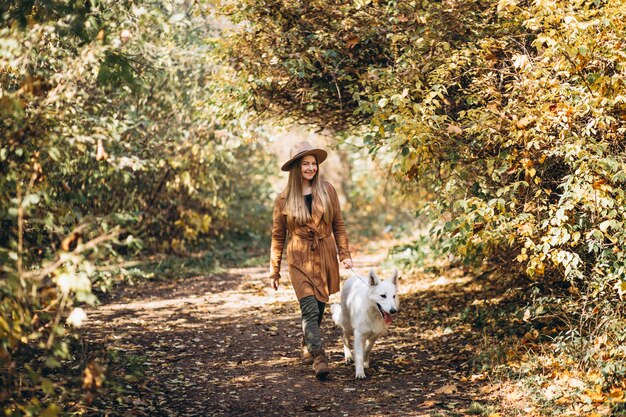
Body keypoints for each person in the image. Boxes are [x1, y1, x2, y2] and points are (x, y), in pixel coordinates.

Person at [269, 141, 353, 380]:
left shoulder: (327, 190)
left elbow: (338, 224)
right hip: (298, 257)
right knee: (308, 307)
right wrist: (274, 270)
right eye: (305, 164)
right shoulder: (283, 199)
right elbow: (277, 236)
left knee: (318, 307)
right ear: (296, 167)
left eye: (313, 163)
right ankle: (319, 357)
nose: (310, 168)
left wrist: (344, 254)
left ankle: (307, 341)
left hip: (324, 254)